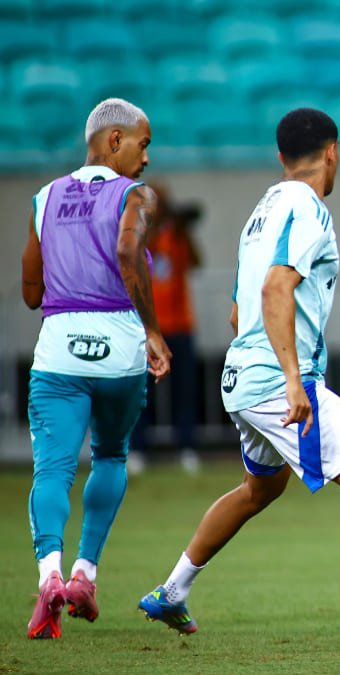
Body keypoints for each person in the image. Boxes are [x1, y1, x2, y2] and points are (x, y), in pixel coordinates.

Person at [137, 109, 340, 666]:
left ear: (281, 158)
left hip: (240, 375)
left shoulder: (264, 209)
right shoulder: (308, 208)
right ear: (333, 152)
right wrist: (294, 381)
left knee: (262, 488)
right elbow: (278, 290)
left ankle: (172, 591)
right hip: (278, 381)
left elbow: (237, 311)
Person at [19, 98, 172, 639]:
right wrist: (154, 330)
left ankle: (50, 576)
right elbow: (129, 252)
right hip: (121, 349)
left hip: (60, 348)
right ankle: (85, 573)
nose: (147, 158)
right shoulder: (135, 195)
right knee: (110, 455)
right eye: (143, 144)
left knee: (52, 470)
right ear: (114, 141)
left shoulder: (44, 198)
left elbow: (31, 292)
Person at [129, 181, 203, 474]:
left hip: (180, 326)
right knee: (141, 392)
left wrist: (183, 230)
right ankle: (137, 449)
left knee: (185, 391)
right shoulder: (138, 236)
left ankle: (187, 447)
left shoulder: (177, 236)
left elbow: (196, 262)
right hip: (147, 327)